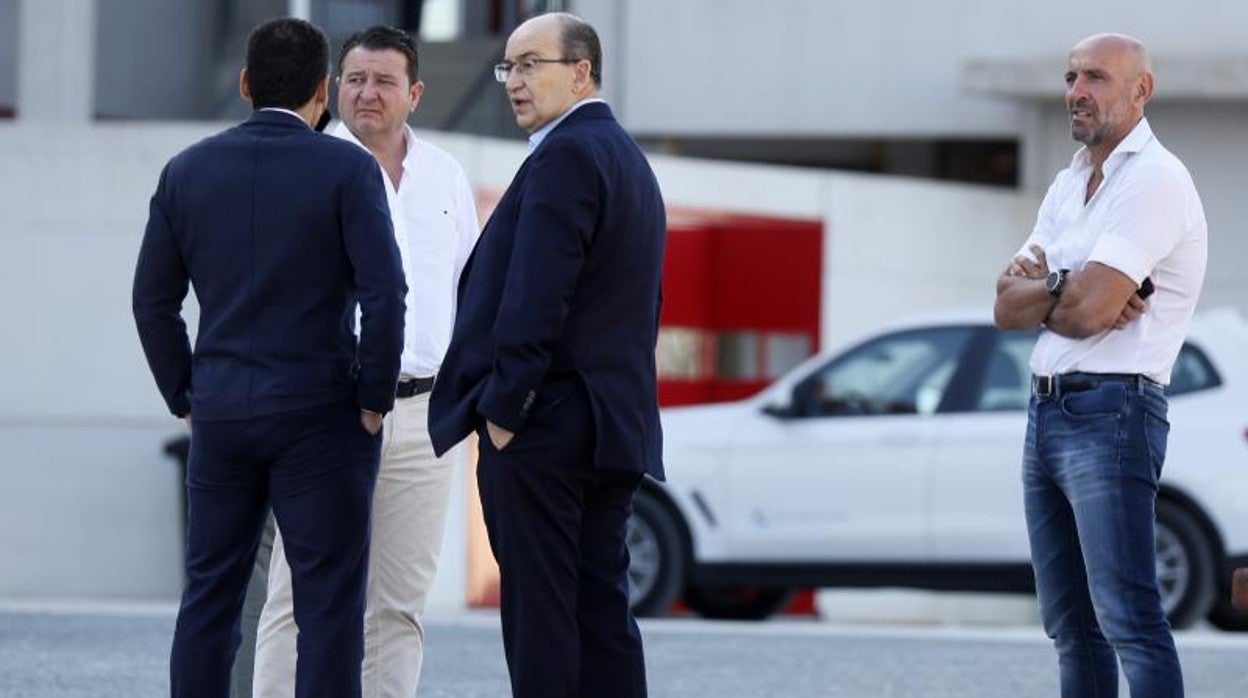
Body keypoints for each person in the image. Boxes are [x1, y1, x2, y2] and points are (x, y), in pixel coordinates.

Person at [131, 17, 406, 698]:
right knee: (328, 608)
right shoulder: (348, 169)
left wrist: (186, 396)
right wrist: (374, 399)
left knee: (210, 600)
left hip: (223, 413)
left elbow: (151, 303)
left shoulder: (186, 171)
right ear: (323, 88)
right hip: (323, 417)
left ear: (246, 83)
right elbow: (386, 292)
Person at [428, 11, 666, 698]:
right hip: (609, 425)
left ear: (582, 71)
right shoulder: (624, 156)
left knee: (543, 623)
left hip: (548, 429)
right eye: (509, 66)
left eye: (533, 64)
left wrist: (506, 409)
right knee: (601, 618)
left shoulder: (566, 154)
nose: (514, 81)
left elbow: (538, 292)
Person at [250, 24, 479, 698]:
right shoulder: (301, 167)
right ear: (331, 89)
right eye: (354, 79)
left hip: (421, 418)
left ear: (414, 93)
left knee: (399, 609)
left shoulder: (446, 176)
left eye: (383, 81)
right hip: (328, 414)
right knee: (299, 600)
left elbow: (468, 286)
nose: (367, 93)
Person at [993, 33, 1207, 697]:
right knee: (1070, 627)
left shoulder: (1155, 180)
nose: (1077, 92)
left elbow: (1088, 314)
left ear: (1140, 91)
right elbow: (1005, 304)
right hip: (1047, 410)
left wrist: (1057, 291)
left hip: (1112, 413)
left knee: (1129, 620)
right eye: (1070, 77)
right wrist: (1070, 283)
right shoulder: (1068, 184)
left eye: (1096, 78)